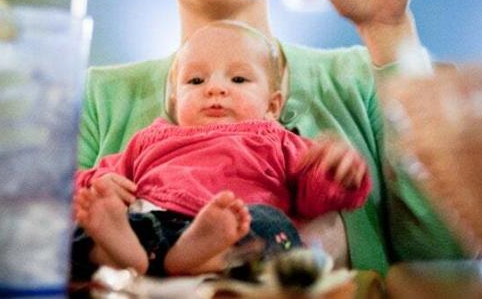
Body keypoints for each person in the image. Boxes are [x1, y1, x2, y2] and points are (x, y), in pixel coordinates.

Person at [77, 0, 466, 275]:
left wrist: (388, 29)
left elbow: (444, 252)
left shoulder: (356, 77)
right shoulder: (98, 95)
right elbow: (48, 245)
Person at [73, 20, 371, 276]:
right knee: (80, 233)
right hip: (156, 220)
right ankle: (136, 252)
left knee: (275, 226)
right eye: (196, 80)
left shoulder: (278, 139)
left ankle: (179, 256)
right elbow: (96, 178)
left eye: (239, 79)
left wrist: (335, 170)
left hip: (234, 227)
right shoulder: (150, 139)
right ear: (175, 101)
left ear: (272, 105)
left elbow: (313, 195)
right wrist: (98, 186)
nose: (214, 88)